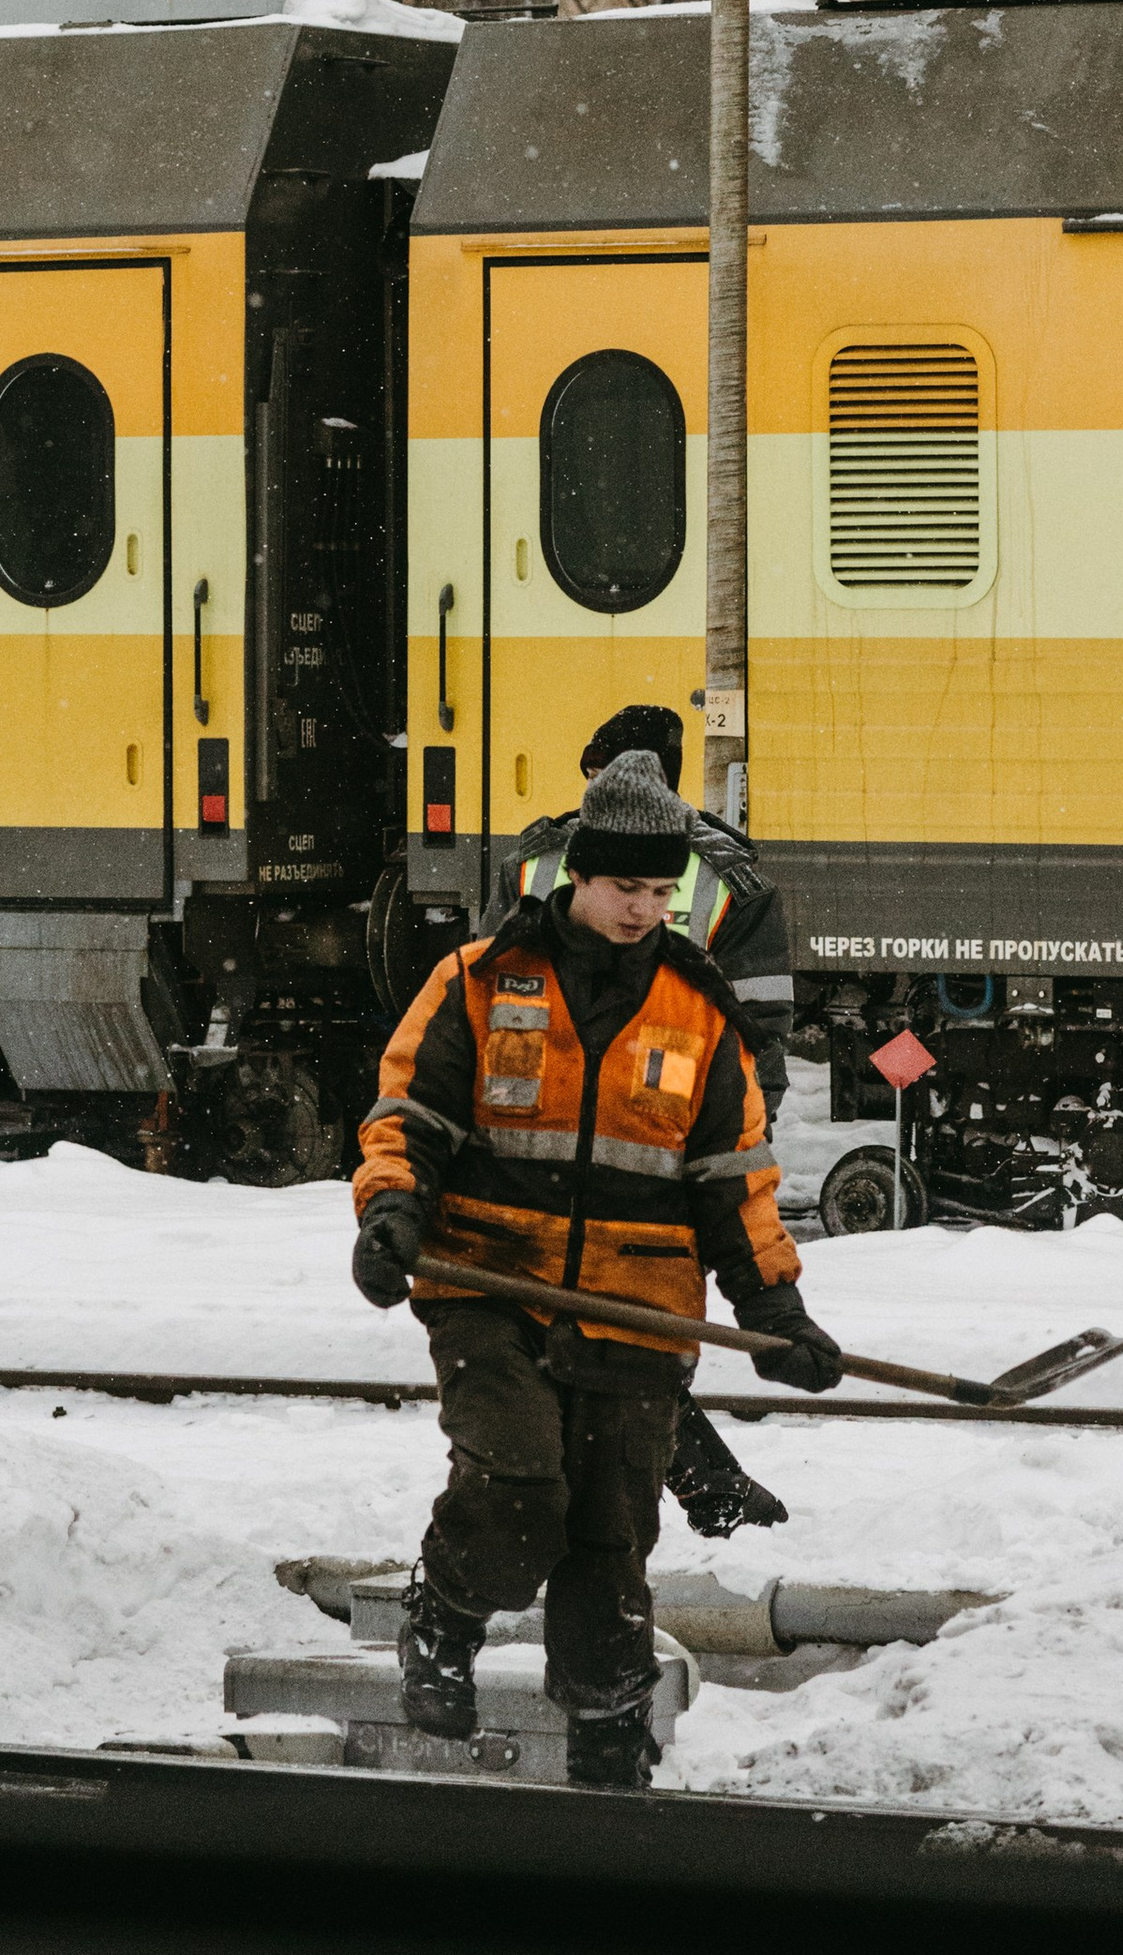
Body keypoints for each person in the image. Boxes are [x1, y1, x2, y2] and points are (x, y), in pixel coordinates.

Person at [351, 746, 841, 1791]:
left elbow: (733, 1178)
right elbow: (409, 1114)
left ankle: (611, 1759)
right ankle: (440, 1620)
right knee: (521, 1486)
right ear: (578, 875)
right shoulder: (482, 982)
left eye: (662, 891)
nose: (644, 909)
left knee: (609, 1548)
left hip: (638, 1312)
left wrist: (776, 1305)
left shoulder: (699, 1011)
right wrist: (393, 1212)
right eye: (627, 887)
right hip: (490, 1287)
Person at [501, 702, 799, 1538]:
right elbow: (761, 1022)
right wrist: (744, 1126)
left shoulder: (536, 855)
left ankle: (691, 1484)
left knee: (608, 1317)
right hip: (673, 1121)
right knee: (620, 1312)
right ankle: (700, 1484)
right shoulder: (733, 873)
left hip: (550, 1120)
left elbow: (495, 994)